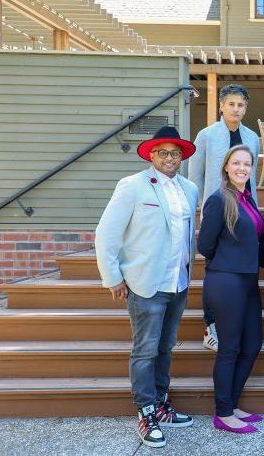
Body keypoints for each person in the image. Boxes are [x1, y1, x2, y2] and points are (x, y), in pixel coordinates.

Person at [95, 126, 198, 448]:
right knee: (145, 350)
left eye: (175, 153)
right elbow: (106, 234)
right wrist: (112, 276)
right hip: (145, 283)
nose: (170, 158)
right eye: (163, 153)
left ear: (182, 157)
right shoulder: (132, 186)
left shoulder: (190, 189)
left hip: (177, 281)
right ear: (152, 155)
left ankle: (162, 403)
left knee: (166, 348)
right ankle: (146, 410)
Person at [197, 145, 264, 434]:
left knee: (252, 344)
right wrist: (228, 261)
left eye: (247, 164)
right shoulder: (219, 199)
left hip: (248, 280)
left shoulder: (246, 198)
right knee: (229, 349)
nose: (242, 168)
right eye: (236, 163)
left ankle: (232, 402)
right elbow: (205, 245)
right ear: (226, 167)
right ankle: (223, 412)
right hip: (226, 280)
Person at [189, 84, 261, 352]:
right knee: (213, 266)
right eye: (231, 104)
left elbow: (251, 177)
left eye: (241, 105)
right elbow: (195, 174)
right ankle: (211, 326)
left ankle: (235, 321)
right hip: (216, 208)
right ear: (221, 106)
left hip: (243, 210)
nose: (236, 109)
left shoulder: (251, 137)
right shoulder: (206, 136)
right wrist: (199, 207)